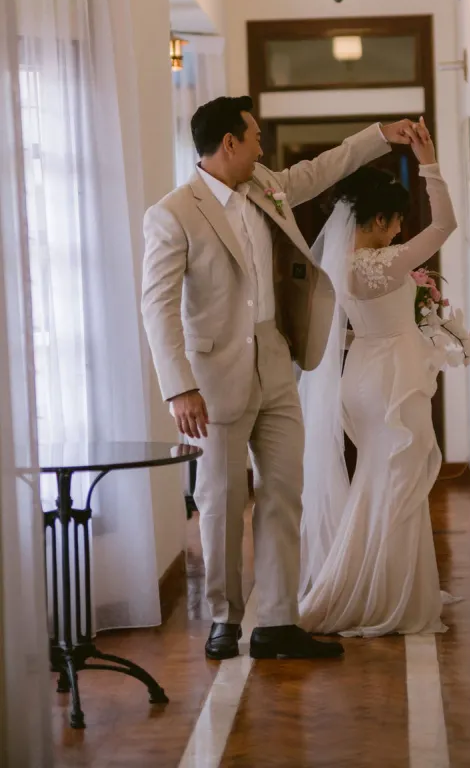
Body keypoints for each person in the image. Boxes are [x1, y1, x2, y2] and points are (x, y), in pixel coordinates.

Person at [141, 95, 417, 660]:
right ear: (229, 143)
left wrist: (379, 135)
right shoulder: (173, 213)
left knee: (285, 492)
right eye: (255, 137)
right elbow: (157, 305)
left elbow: (320, 170)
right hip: (212, 379)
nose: (262, 147)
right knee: (221, 500)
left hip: (276, 359)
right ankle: (225, 618)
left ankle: (277, 621)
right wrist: (179, 387)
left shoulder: (264, 185)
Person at [298, 118, 460, 637]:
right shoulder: (382, 263)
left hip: (362, 376)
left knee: (377, 479)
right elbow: (445, 225)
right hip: (394, 379)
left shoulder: (338, 268)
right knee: (401, 485)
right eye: (395, 222)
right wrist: (428, 163)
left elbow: (343, 333)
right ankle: (385, 595)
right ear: (380, 218)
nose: (398, 232)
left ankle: (371, 581)